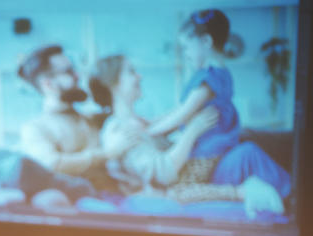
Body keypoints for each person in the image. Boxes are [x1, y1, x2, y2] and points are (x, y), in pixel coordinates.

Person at [88, 54, 282, 214]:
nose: (139, 76)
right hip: (178, 189)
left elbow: (173, 116)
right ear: (112, 83)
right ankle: (292, 204)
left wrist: (189, 117)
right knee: (248, 154)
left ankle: (293, 201)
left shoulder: (138, 121)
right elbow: (164, 174)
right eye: (131, 72)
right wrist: (193, 130)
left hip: (190, 177)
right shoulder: (120, 130)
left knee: (247, 149)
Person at [145, 9, 291, 214]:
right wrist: (150, 122)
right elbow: (178, 109)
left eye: (187, 47)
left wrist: (149, 132)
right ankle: (278, 192)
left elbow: (183, 113)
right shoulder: (218, 74)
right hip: (216, 150)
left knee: (179, 191)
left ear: (205, 41)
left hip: (207, 153)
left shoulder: (210, 79)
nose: (184, 54)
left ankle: (268, 193)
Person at [18, 44, 140, 194]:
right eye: (68, 71)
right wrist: (108, 153)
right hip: (85, 205)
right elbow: (51, 163)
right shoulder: (35, 128)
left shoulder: (91, 119)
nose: (77, 76)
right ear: (48, 84)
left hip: (118, 197)